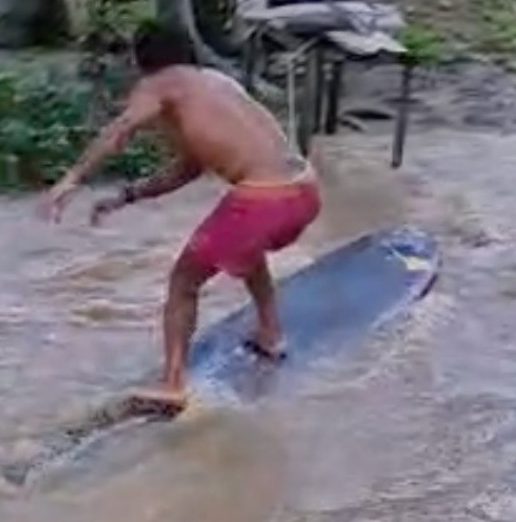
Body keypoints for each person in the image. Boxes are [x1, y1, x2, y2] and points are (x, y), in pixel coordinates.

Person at [37, 22, 321, 413]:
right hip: (305, 190)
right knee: (244, 248)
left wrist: (71, 179)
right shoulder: (216, 84)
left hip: (262, 200)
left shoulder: (159, 84)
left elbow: (120, 130)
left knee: (183, 281)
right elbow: (189, 169)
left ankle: (173, 385)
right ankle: (271, 333)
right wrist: (127, 196)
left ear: (142, 62)